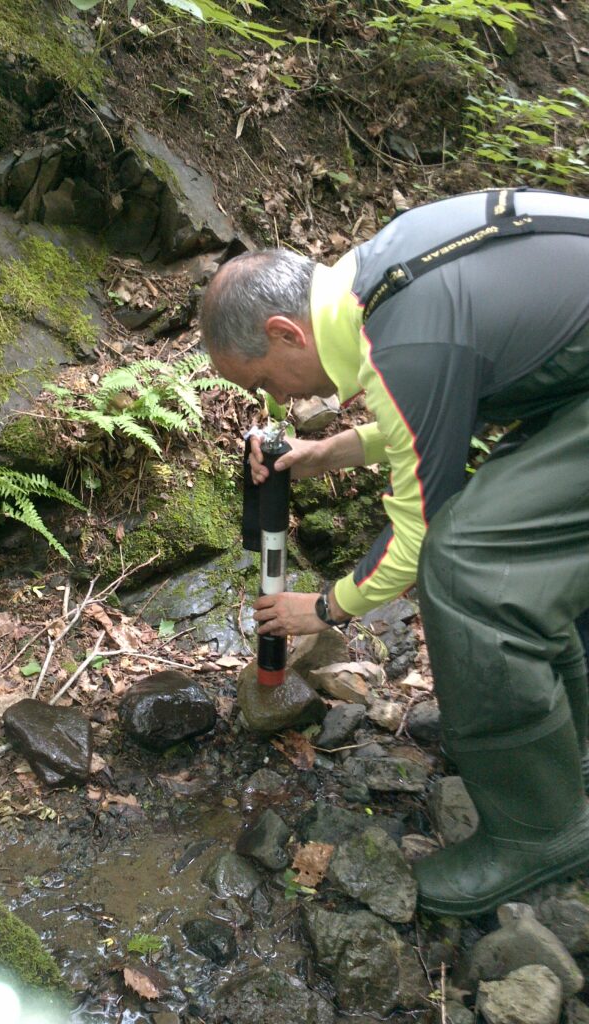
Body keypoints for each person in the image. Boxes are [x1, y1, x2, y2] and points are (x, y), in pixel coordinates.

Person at [199, 187, 589, 917]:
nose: (276, 404)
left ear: (285, 333)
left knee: (470, 564)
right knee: (523, 541)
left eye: (261, 383)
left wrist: (320, 607)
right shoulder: (376, 282)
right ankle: (570, 753)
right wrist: (327, 453)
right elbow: (436, 399)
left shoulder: (403, 334)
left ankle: (542, 827)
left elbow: (418, 533)